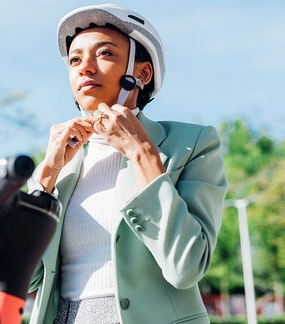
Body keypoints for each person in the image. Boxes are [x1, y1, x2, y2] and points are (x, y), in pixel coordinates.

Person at [26, 4, 227, 324]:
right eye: (75, 59)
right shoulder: (60, 160)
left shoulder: (193, 143)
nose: (85, 68)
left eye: (104, 54)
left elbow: (186, 267)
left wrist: (142, 153)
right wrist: (47, 174)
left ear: (142, 74)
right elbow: (24, 278)